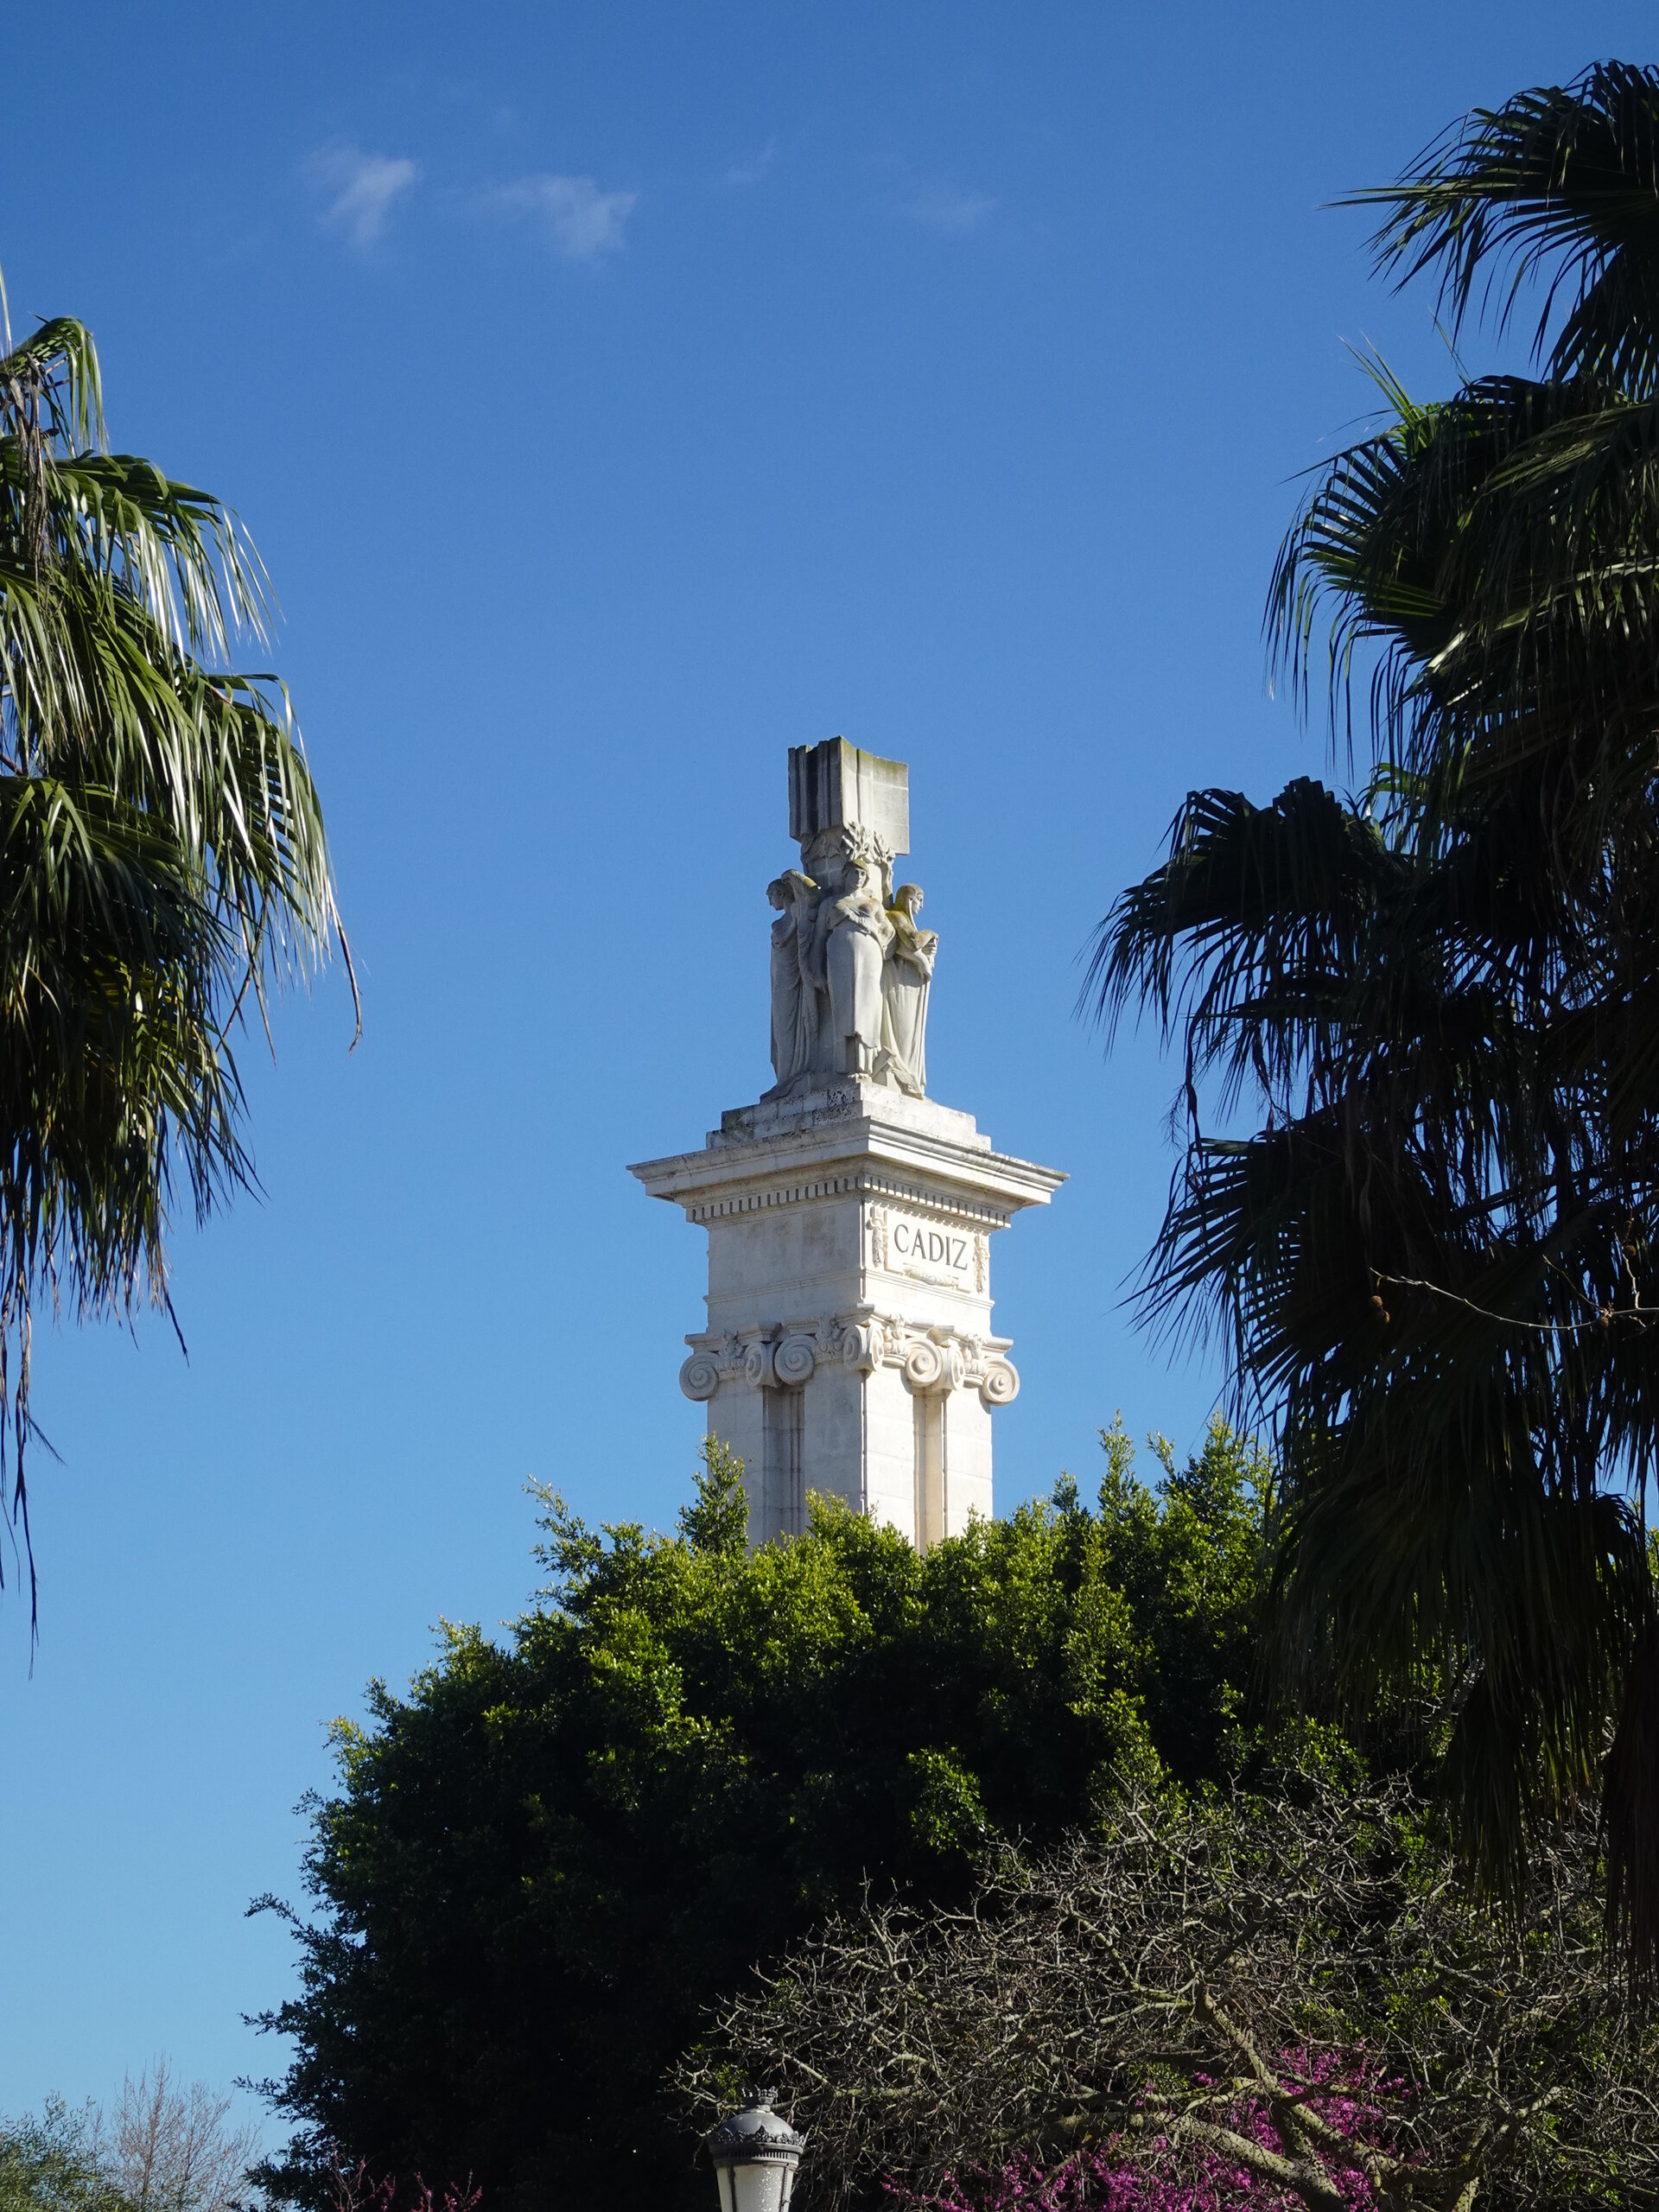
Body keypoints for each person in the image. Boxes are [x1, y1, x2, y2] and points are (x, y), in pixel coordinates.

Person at [811, 856, 893, 1075]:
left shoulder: (874, 904)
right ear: (845, 874)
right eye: (854, 873)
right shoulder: (831, 904)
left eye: (862, 874)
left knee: (867, 1005)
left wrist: (869, 928)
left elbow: (888, 933)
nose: (858, 878)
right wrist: (817, 971)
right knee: (842, 1006)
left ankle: (865, 1064)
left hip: (870, 955)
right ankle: (842, 1064)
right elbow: (819, 938)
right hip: (838, 953)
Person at [765, 870, 822, 1090]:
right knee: (780, 1033)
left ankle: (790, 1076)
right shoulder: (782, 921)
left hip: (793, 982)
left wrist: (794, 877)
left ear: (781, 893)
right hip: (780, 983)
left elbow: (813, 898)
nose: (771, 903)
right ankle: (786, 1076)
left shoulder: (797, 914)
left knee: (789, 1030)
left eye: (771, 897)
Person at [880, 882, 937, 1095]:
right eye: (919, 900)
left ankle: (908, 1077)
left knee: (909, 1036)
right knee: (902, 1033)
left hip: (907, 984)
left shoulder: (903, 919)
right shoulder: (897, 917)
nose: (921, 905)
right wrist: (930, 933)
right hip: (897, 983)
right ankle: (901, 1073)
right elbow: (913, 942)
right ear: (909, 899)